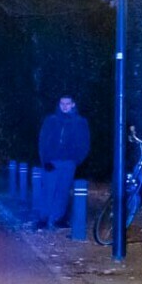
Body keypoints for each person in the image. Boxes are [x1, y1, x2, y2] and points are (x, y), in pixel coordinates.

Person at [35, 95, 90, 229]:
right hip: (52, 161)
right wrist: (45, 160)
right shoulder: (51, 120)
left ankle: (58, 218)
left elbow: (85, 143)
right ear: (58, 105)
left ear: (73, 104)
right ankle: (44, 218)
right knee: (48, 189)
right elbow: (42, 141)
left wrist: (76, 160)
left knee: (63, 191)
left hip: (69, 162)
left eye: (67, 103)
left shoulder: (80, 122)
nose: (65, 106)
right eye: (62, 103)